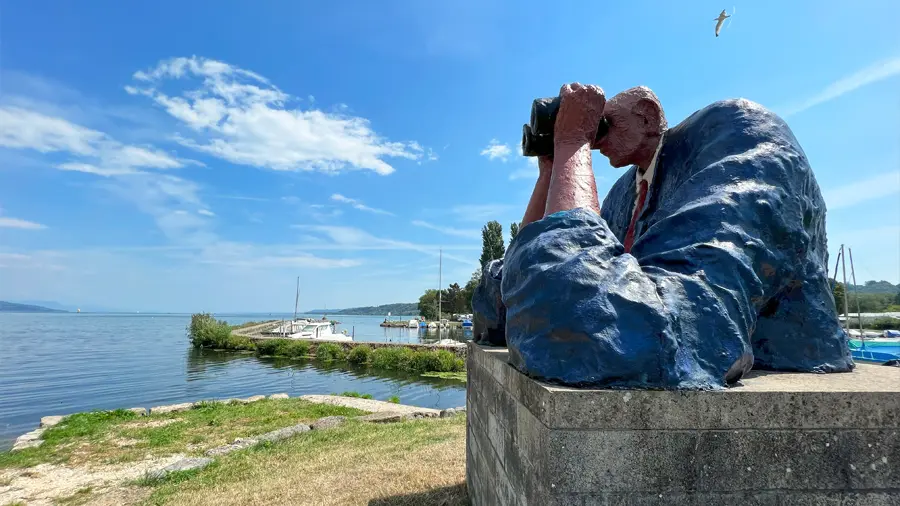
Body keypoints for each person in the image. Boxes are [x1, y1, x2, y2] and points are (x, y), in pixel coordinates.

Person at [472, 83, 853, 389]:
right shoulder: (624, 194)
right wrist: (552, 172)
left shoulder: (737, 134)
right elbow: (503, 308)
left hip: (782, 351)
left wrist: (574, 143)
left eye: (606, 124)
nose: (599, 140)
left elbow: (588, 323)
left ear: (649, 116)